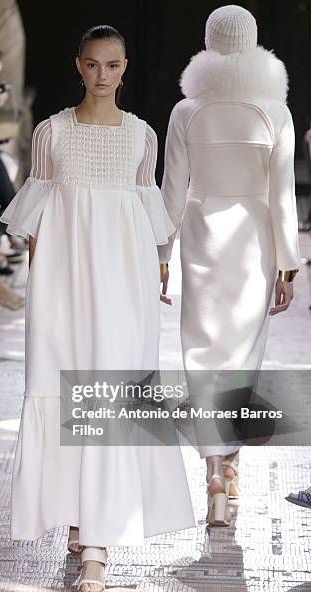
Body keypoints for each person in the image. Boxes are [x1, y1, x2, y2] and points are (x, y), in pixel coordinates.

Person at [0, 25, 194, 592]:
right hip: (62, 285)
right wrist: (43, 291)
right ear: (78, 66)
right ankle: (81, 520)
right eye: (92, 65)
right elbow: (35, 222)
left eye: (112, 65)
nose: (102, 75)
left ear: (125, 67)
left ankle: (97, 546)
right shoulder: (50, 132)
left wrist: (158, 266)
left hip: (123, 285)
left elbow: (147, 211)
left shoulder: (140, 135)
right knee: (62, 390)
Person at [160, 5, 301, 525]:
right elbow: (282, 197)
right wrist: (288, 267)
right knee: (241, 361)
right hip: (254, 242)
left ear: (208, 42)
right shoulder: (275, 112)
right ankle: (230, 473)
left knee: (201, 358)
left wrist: (160, 258)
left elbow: (172, 192)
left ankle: (214, 470)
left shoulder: (185, 111)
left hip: (201, 236)